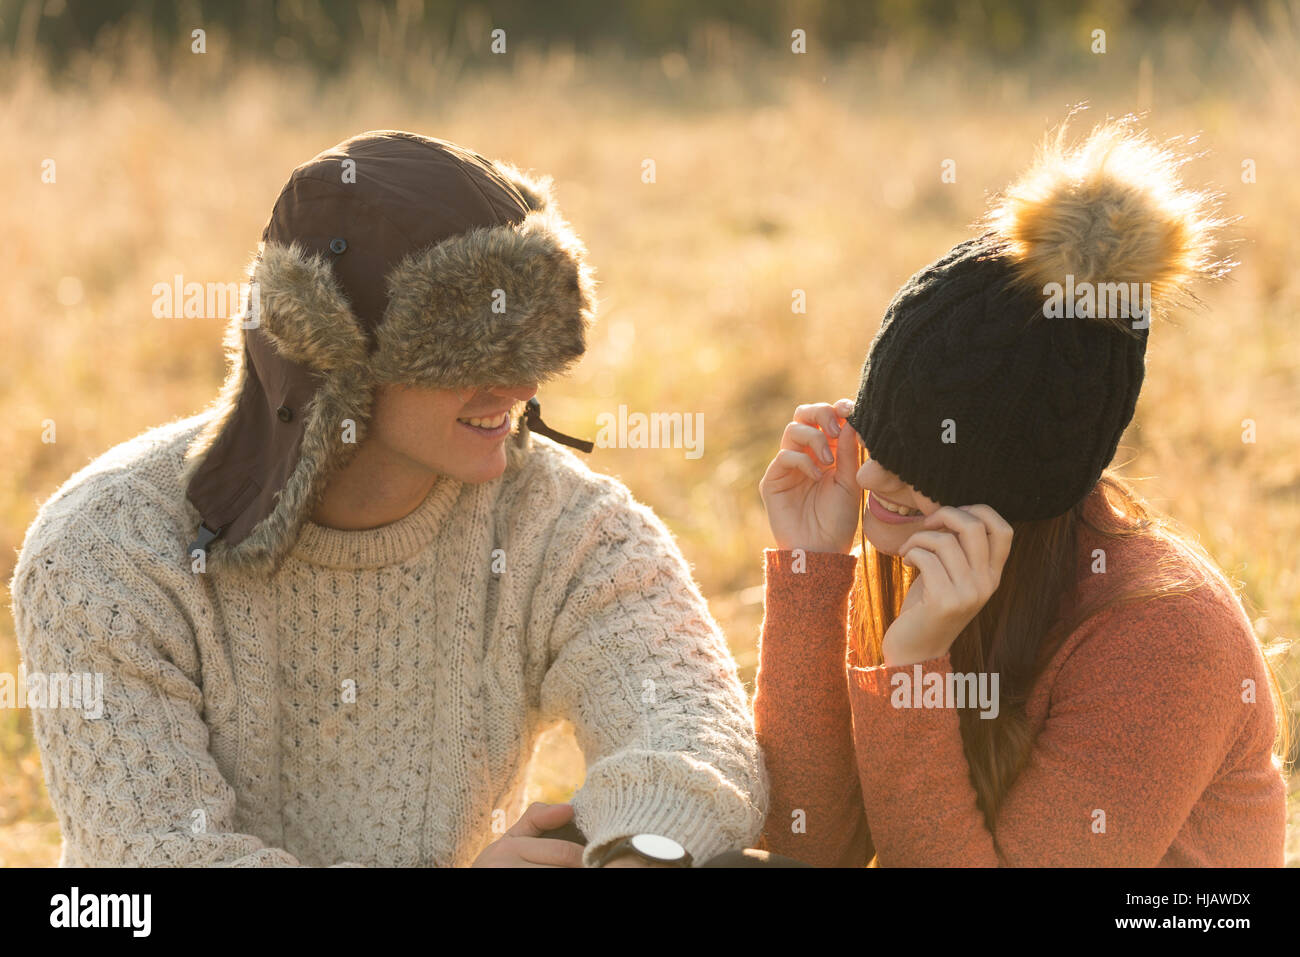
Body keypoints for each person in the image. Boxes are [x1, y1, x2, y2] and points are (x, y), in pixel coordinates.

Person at [10, 130, 767, 868]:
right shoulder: (105, 552)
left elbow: (688, 728)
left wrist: (641, 852)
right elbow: (158, 858)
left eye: (533, 343)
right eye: (473, 348)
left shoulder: (559, 523)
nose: (520, 386)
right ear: (329, 353)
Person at [753, 118, 1290, 866]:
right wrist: (812, 567)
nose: (870, 477)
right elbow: (807, 844)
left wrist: (913, 669)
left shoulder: (1164, 637)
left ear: (1014, 489)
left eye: (915, 470)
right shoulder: (928, 559)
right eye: (876, 437)